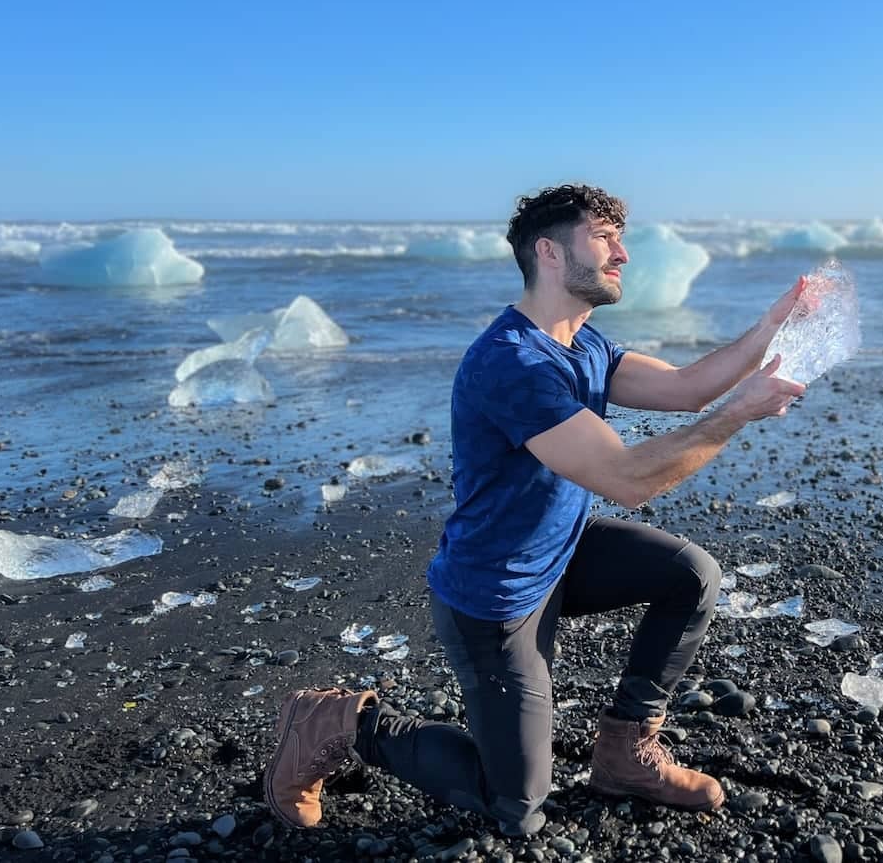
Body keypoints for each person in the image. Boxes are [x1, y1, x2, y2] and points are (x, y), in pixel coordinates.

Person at [264, 184, 809, 836]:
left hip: (561, 555)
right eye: (604, 238)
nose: (624, 254)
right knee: (515, 809)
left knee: (690, 574)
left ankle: (627, 750)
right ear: (549, 253)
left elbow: (687, 387)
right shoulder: (514, 364)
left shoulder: (585, 347)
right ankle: (340, 721)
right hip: (497, 600)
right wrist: (739, 415)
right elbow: (627, 478)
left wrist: (775, 322)